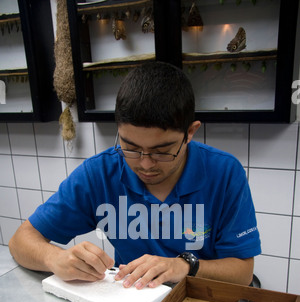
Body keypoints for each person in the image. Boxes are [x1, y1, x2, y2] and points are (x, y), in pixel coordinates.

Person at [9, 61, 261, 289]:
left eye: (162, 151)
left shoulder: (224, 172)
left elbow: (242, 273)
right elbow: (21, 240)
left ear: (190, 132)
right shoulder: (101, 172)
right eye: (130, 147)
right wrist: (55, 258)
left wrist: (185, 266)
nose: (145, 163)